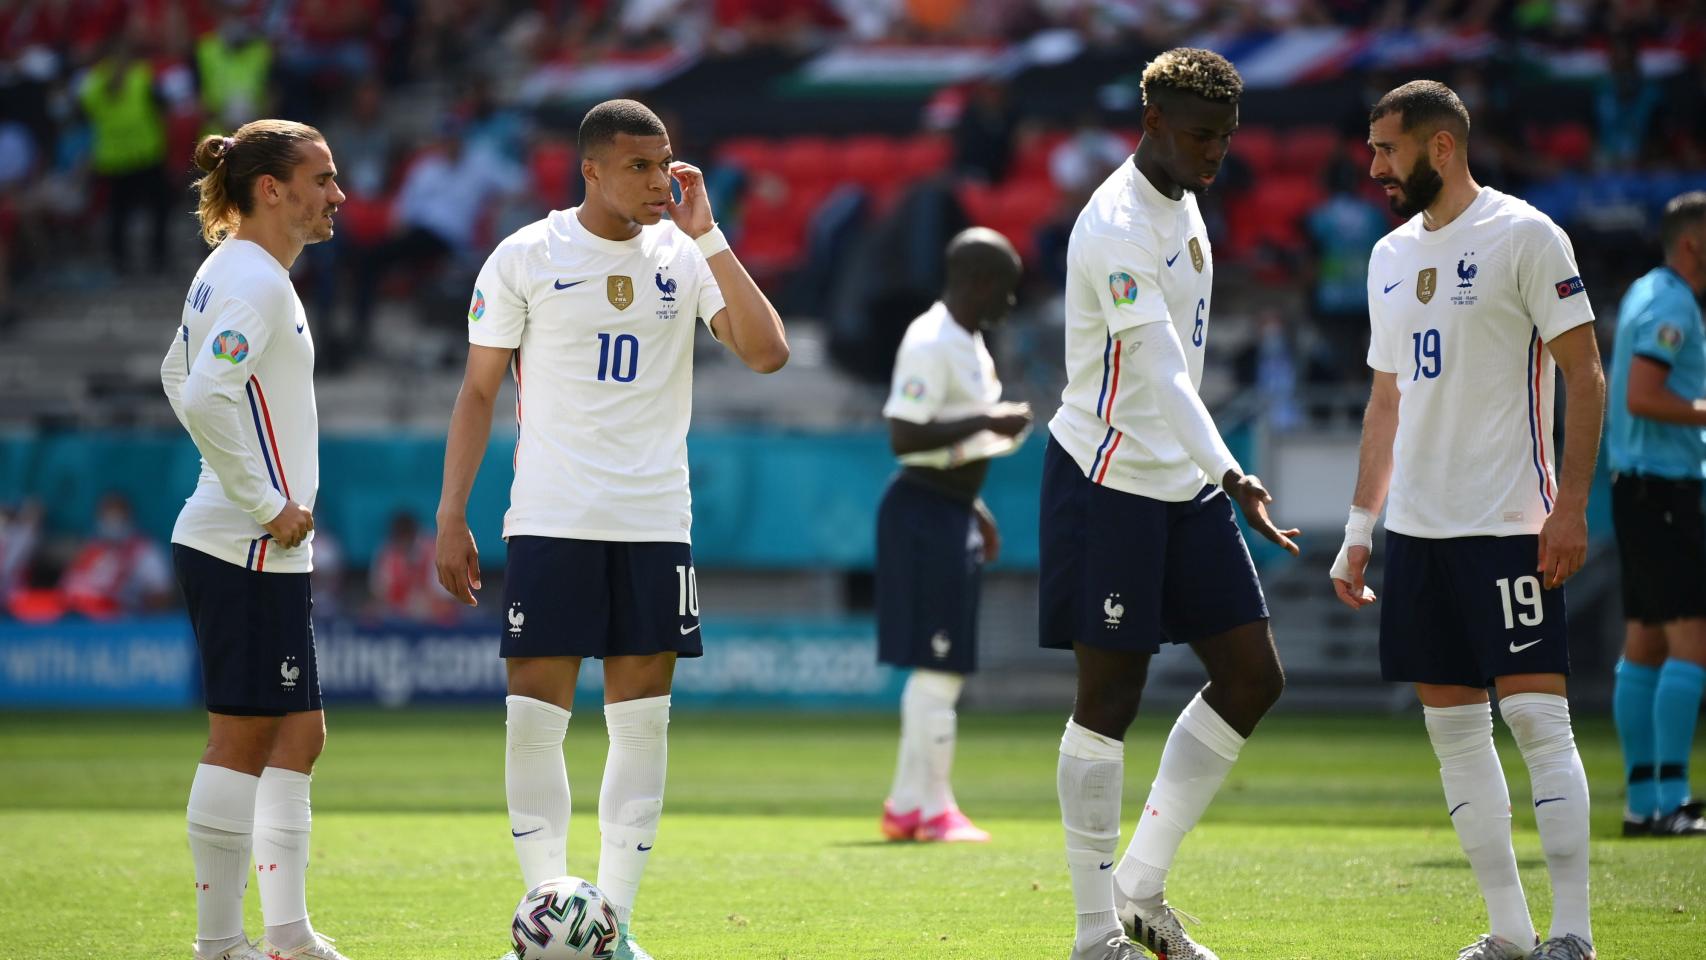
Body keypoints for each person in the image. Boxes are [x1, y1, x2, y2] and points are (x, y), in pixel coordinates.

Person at [433, 98, 788, 960]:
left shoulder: (685, 255)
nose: (658, 180)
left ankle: (615, 927)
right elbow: (478, 391)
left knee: (641, 726)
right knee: (533, 720)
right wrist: (452, 513)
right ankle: (543, 921)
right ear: (590, 169)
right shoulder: (527, 254)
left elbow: (767, 351)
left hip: (655, 521)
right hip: (551, 516)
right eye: (638, 166)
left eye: (663, 163)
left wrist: (711, 236)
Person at [1330, 80, 1606, 960]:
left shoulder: (1525, 234)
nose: (1375, 166)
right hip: (1417, 534)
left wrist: (1569, 506)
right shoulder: (1386, 256)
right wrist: (1360, 528)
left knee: (1539, 726)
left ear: (1441, 146)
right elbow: (1385, 403)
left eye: (1388, 148)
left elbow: (1586, 376)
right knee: (1454, 738)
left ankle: (1575, 932)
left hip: (1509, 524)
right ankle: (1511, 932)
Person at [1039, 48, 1298, 960]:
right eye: (1199, 136)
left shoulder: (1184, 198)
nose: (1214, 153)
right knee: (1109, 697)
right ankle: (1092, 934)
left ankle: (1139, 886)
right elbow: (1160, 373)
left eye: (1225, 137)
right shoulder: (1115, 223)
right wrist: (1233, 472)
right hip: (1109, 479)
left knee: (1253, 678)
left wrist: (1209, 472)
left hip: (1181, 479)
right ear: (1151, 123)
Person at [159, 120, 349, 960]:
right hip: (245, 545)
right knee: (241, 739)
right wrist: (265, 502)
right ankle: (218, 944)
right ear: (271, 189)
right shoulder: (257, 282)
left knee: (299, 735)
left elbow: (176, 374)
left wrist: (252, 495)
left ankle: (288, 935)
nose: (338, 194)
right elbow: (203, 393)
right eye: (322, 178)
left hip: (257, 544)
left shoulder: (233, 270)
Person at [876, 226, 1031, 845]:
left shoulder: (969, 340)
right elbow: (904, 435)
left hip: (949, 508)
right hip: (923, 511)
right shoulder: (931, 339)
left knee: (941, 669)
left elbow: (952, 443)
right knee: (939, 669)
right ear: (980, 282)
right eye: (1006, 289)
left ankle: (907, 806)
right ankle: (935, 810)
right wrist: (990, 417)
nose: (1011, 302)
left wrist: (977, 509)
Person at [1607, 191, 1706, 838]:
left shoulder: (1646, 290)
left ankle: (1643, 802)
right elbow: (1643, 395)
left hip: (1637, 489)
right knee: (1692, 641)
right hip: (1665, 490)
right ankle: (1673, 798)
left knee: (1644, 643)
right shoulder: (1673, 304)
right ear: (1693, 243)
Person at [58, 491, 174, 617]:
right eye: (107, 515)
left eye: (117, 516)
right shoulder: (87, 548)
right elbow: (67, 589)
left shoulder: (145, 551)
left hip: (121, 619)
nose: (112, 521)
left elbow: (161, 596)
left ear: (128, 517)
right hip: (75, 618)